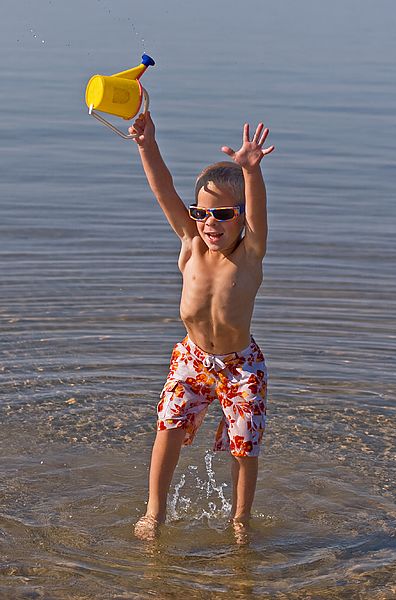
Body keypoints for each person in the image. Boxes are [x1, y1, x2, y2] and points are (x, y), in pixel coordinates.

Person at [130, 111, 274, 541]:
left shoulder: (250, 254)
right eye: (202, 213)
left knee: (245, 445)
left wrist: (251, 171)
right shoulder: (191, 244)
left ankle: (240, 521)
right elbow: (164, 191)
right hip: (192, 358)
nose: (210, 223)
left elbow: (259, 210)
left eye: (223, 214)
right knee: (168, 426)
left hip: (240, 366)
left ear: (242, 218)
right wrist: (146, 145)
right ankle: (154, 514)